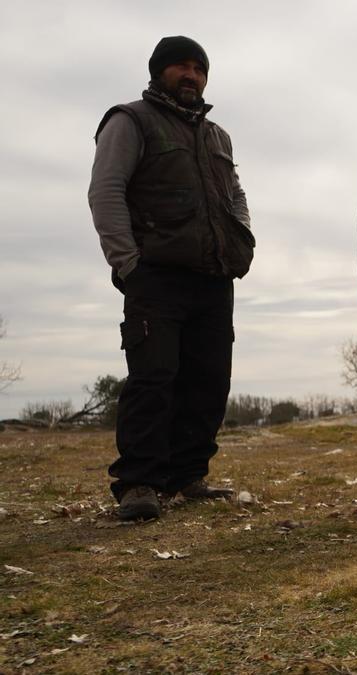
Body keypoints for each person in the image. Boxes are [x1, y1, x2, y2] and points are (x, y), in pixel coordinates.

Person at [88, 36, 255, 521]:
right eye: (181, 67)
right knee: (154, 377)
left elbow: (235, 193)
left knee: (208, 380)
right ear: (160, 72)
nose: (191, 75)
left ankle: (187, 476)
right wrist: (128, 262)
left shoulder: (218, 135)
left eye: (199, 69)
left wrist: (241, 235)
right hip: (154, 275)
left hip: (213, 275)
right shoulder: (129, 120)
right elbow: (105, 191)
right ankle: (140, 482)